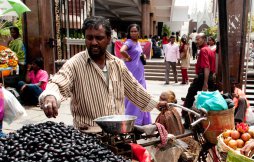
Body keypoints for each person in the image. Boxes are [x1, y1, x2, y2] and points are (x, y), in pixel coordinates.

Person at [38, 16, 166, 132]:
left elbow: (134, 89)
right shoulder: (74, 64)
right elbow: (59, 82)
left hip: (118, 133)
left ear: (109, 39)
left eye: (99, 38)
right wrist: (50, 96)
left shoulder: (117, 64)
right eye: (89, 38)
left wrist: (155, 104)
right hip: (88, 135)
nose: (94, 42)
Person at [182, 33, 217, 128]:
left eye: (198, 39)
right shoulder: (209, 49)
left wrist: (205, 83)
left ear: (204, 39)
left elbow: (206, 66)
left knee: (190, 96)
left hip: (203, 77)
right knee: (204, 100)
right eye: (196, 39)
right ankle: (200, 121)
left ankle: (187, 121)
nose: (196, 41)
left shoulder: (204, 50)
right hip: (207, 77)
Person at [119, 23, 151, 126]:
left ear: (139, 32)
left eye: (135, 31)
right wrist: (127, 58)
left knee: (142, 92)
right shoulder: (129, 42)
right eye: (131, 31)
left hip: (140, 71)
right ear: (129, 33)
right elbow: (121, 50)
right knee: (134, 92)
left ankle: (142, 119)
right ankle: (133, 119)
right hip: (132, 71)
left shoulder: (137, 42)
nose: (133, 33)